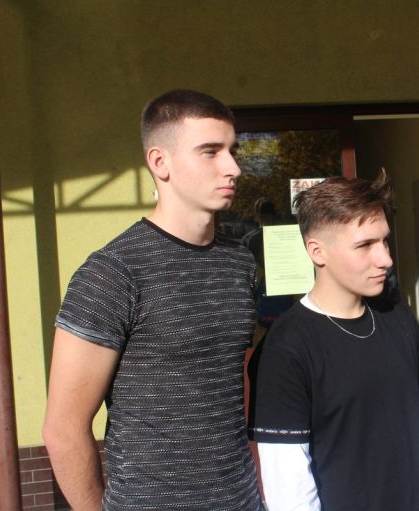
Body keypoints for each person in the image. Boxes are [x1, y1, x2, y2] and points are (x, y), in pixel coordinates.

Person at [43, 90, 263, 511]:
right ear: (161, 163)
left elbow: (236, 377)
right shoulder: (113, 273)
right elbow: (63, 429)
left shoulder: (238, 262)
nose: (233, 167)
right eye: (210, 152)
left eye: (232, 151)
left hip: (243, 500)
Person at [248, 172, 419, 511]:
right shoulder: (285, 348)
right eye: (365, 245)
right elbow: (289, 483)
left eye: (384, 241)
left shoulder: (397, 317)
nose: (386, 259)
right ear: (317, 251)